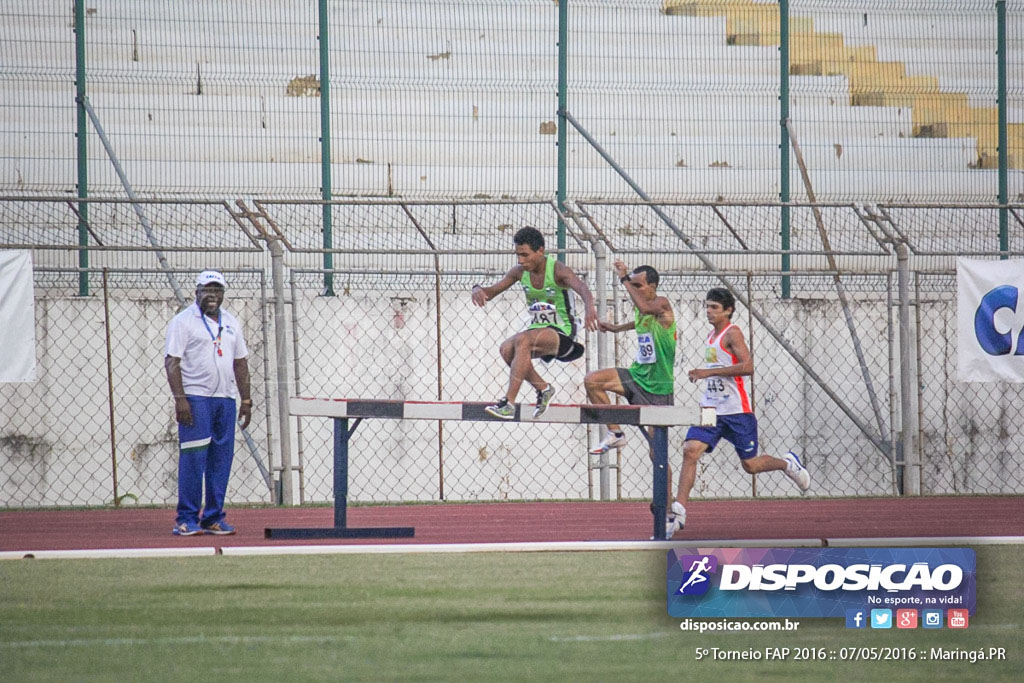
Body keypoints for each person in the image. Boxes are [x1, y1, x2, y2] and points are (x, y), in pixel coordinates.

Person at [667, 287, 810, 537]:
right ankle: (679, 511)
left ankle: (787, 464)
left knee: (751, 466)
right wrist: (705, 376)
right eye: (707, 306)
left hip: (736, 411)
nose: (709, 311)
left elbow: (748, 367)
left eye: (714, 307)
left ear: (728, 310)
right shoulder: (711, 335)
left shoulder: (732, 333)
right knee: (690, 450)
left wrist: (708, 372)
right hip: (711, 409)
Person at [472, 226, 598, 419]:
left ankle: (509, 403)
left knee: (523, 340)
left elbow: (582, 288)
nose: (521, 260)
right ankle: (543, 388)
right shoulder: (519, 272)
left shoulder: (557, 270)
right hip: (538, 331)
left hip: (563, 333)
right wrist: (477, 289)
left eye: (525, 255)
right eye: (518, 255)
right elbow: (492, 292)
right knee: (506, 349)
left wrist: (590, 309)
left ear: (541, 251)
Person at [164, 270, 252, 536]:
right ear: (197, 293)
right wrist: (181, 400)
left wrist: (246, 398)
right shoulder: (183, 321)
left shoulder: (231, 322)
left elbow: (240, 362)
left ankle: (213, 516)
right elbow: (172, 362)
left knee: (220, 460)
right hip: (196, 397)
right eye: (207, 290)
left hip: (225, 399)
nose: (212, 295)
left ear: (223, 293)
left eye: (217, 290)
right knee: (194, 458)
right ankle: (187, 517)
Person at [584, 262, 676, 455]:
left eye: (638, 286)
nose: (634, 291)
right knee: (592, 381)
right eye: (633, 286)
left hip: (658, 386)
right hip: (637, 376)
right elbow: (641, 320)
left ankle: (665, 486)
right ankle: (615, 433)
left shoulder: (662, 303)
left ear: (653, 286)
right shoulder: (643, 309)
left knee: (656, 453)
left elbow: (645, 309)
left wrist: (625, 279)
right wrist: (616, 328)